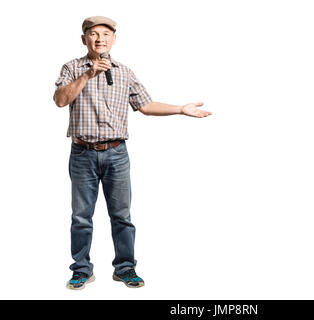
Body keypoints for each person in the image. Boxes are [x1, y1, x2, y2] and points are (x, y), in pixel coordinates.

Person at [54, 16, 212, 290]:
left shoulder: (124, 72)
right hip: (83, 155)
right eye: (93, 34)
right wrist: (87, 74)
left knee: (122, 216)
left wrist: (180, 109)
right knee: (81, 217)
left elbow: (146, 105)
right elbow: (60, 100)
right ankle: (81, 269)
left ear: (113, 39)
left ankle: (125, 268)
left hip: (117, 154)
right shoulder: (72, 68)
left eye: (105, 34)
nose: (99, 38)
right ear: (84, 39)